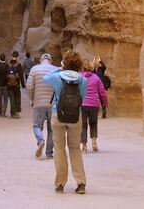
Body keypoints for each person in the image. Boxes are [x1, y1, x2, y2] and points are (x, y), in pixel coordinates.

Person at [43, 51, 88, 194]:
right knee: (75, 148)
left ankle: (60, 183)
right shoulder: (82, 80)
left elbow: (45, 78)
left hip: (58, 115)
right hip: (75, 116)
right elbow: (83, 97)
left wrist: (60, 69)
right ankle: (81, 183)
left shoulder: (57, 77)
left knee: (59, 149)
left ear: (65, 63)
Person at [25, 53, 58, 160]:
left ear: (41, 60)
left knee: (36, 126)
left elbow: (29, 87)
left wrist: (33, 99)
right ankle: (49, 152)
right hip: (52, 104)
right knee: (52, 129)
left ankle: (40, 140)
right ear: (50, 60)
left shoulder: (35, 70)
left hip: (39, 103)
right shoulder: (56, 70)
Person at [79, 63, 108, 152]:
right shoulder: (96, 77)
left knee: (83, 125)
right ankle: (94, 142)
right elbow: (102, 91)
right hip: (94, 104)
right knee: (93, 123)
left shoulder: (79, 77)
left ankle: (83, 145)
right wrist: (105, 103)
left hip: (83, 104)